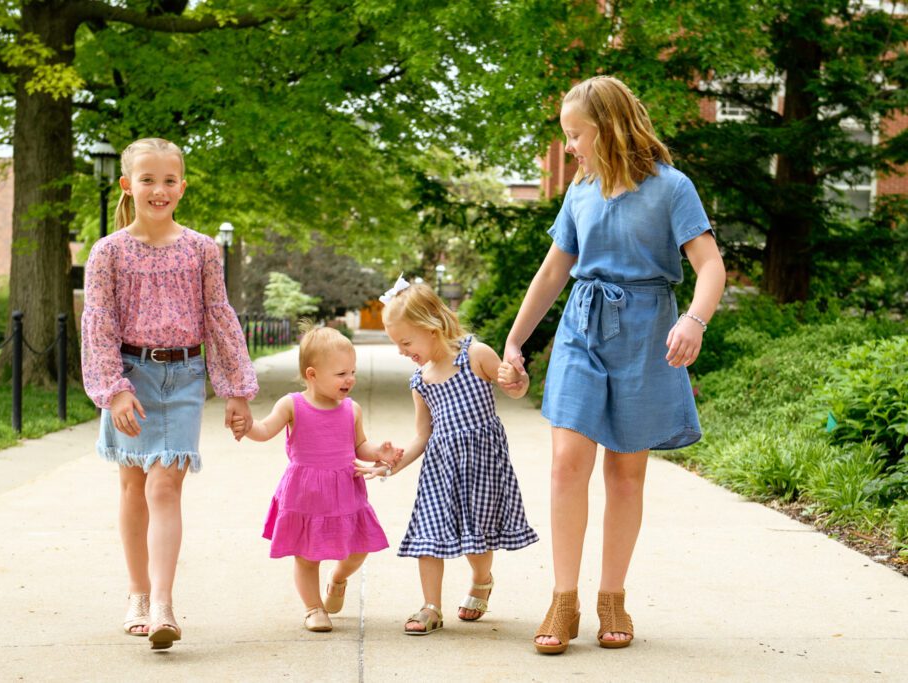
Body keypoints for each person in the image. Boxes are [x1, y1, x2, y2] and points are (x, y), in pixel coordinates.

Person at [501, 76, 726, 654]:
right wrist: (515, 342)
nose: (569, 146)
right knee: (566, 463)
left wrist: (693, 321)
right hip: (583, 329)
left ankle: (612, 597)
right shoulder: (581, 192)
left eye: (575, 134)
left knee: (626, 473)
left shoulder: (672, 188)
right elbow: (553, 272)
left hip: (650, 332)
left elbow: (710, 267)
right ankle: (563, 599)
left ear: (607, 128)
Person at [81, 137, 258, 650]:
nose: (159, 190)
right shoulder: (107, 253)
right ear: (127, 185)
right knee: (134, 486)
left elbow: (218, 317)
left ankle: (163, 603)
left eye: (169, 180)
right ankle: (136, 594)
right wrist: (113, 390)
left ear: (183, 185)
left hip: (183, 378)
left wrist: (236, 390)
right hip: (130, 377)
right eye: (147, 180)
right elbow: (98, 324)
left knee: (166, 486)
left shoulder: (202, 248)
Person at [358, 278, 539, 636]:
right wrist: (391, 465)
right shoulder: (420, 381)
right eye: (396, 344)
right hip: (439, 470)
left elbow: (513, 390)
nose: (401, 351)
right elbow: (422, 435)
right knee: (429, 534)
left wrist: (518, 381)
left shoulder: (476, 355)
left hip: (482, 467)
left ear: (433, 326)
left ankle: (481, 579)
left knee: (478, 539)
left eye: (405, 342)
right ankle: (431, 607)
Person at [232, 325, 398, 632]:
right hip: (305, 494)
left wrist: (379, 453)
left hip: (345, 492)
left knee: (358, 548)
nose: (350, 379)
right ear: (312, 374)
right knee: (307, 556)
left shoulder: (352, 409)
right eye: (340, 374)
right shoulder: (292, 404)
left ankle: (338, 578)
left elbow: (359, 445)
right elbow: (265, 430)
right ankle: (313, 608)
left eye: (352, 371)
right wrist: (248, 426)